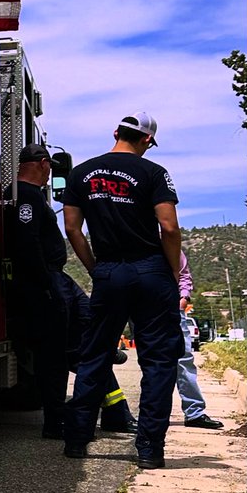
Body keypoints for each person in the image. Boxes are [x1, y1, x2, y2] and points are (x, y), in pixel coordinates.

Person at [61, 113, 183, 469]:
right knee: (159, 360)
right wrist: (172, 270)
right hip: (150, 269)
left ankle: (77, 440)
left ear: (115, 133)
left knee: (95, 354)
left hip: (109, 270)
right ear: (147, 141)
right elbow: (169, 226)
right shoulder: (154, 172)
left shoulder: (81, 173)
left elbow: (72, 228)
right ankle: (149, 449)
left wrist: (95, 268)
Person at [9, 143, 135, 439]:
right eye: (49, 167)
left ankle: (115, 411)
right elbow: (26, 246)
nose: (50, 173)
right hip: (46, 282)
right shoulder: (24, 197)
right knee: (53, 356)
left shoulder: (31, 197)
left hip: (58, 280)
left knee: (92, 340)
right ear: (41, 164)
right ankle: (55, 422)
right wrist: (45, 286)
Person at [175, 250, 223, 430]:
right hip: (143, 309)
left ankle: (194, 412)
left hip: (173, 308)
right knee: (151, 363)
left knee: (184, 360)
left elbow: (184, 275)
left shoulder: (170, 242)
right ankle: (152, 415)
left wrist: (184, 298)